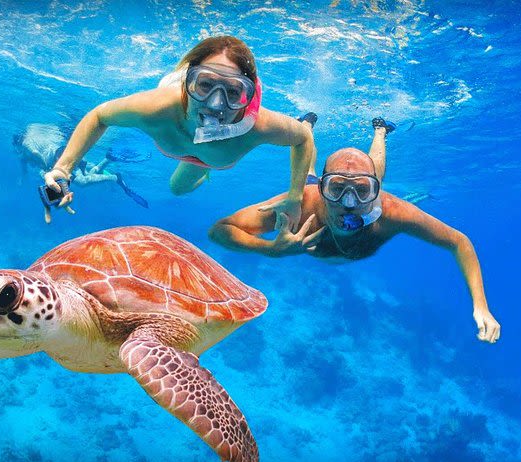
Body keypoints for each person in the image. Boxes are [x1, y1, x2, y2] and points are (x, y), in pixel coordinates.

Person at [209, 118, 501, 344]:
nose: (349, 203)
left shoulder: (393, 212)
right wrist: (270, 250)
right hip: (313, 186)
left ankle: (380, 132)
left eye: (362, 191)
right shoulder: (302, 203)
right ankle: (305, 129)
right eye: (336, 188)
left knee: (375, 170)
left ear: (376, 193)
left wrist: (481, 307)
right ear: (323, 189)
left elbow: (459, 242)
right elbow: (219, 230)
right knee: (306, 175)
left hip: (361, 190)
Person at [42, 35, 314, 225]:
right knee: (177, 189)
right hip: (202, 148)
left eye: (233, 91)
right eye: (205, 85)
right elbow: (99, 115)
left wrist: (295, 197)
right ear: (188, 83)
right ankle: (205, 164)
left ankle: (206, 165)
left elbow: (303, 139)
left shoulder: (258, 127)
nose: (216, 104)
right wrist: (62, 169)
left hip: (209, 158)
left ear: (246, 96)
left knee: (179, 187)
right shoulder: (157, 109)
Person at [13, 123, 148, 218]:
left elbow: (36, 153)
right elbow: (24, 169)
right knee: (87, 174)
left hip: (59, 158)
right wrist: (22, 179)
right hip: (62, 154)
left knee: (83, 182)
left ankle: (115, 177)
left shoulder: (26, 144)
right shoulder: (22, 155)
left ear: (18, 142)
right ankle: (108, 159)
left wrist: (48, 169)